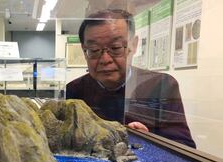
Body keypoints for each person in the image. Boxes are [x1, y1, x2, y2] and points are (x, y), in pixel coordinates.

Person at [66, 9, 196, 148]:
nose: (105, 59)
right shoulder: (75, 89)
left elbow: (185, 148)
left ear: (133, 45)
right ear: (84, 51)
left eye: (115, 48)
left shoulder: (161, 86)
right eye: (93, 50)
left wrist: (149, 141)